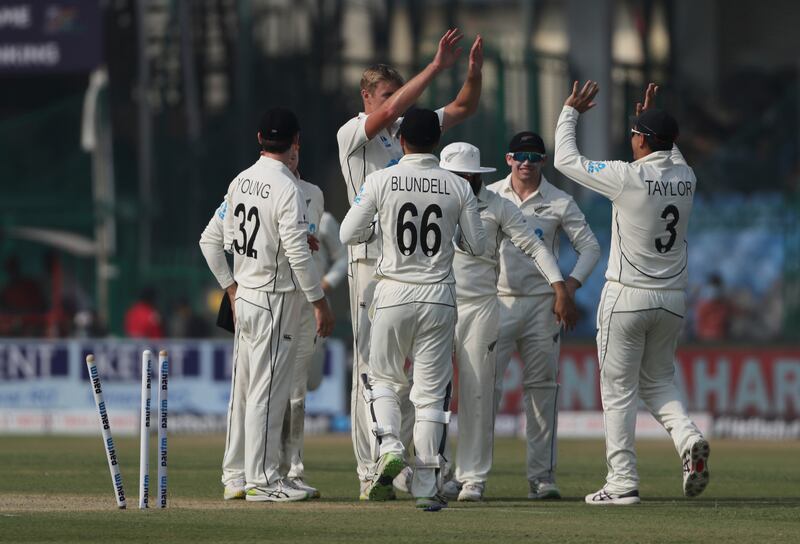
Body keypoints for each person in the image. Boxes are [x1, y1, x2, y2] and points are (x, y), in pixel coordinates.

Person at [336, 28, 484, 498]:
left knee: (401, 380)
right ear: (368, 97)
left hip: (404, 269)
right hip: (368, 263)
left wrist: (472, 73)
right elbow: (393, 112)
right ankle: (371, 471)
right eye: (386, 94)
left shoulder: (406, 135)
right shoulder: (354, 132)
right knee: (372, 372)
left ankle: (405, 466)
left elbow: (462, 109)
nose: (395, 102)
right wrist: (436, 68)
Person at [554, 81, 710, 505]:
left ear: (642, 141)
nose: (631, 141)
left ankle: (622, 482)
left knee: (618, 392)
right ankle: (688, 437)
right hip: (672, 299)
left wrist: (569, 112)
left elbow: (567, 160)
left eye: (634, 134)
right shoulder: (686, 177)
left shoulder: (628, 177)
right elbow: (669, 150)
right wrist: (652, 120)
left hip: (627, 297)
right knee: (658, 381)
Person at [436, 142, 578, 502]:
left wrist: (559, 286)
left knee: (477, 393)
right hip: (435, 301)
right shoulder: (433, 197)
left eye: (459, 177)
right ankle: (432, 470)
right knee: (428, 391)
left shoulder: (497, 205)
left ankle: (472, 478)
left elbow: (535, 246)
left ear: (471, 176)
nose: (453, 182)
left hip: (482, 306)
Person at [220, 107, 334, 503]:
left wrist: (233, 286)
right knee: (268, 392)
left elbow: (231, 238)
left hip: (247, 295)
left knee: (249, 391)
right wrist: (319, 302)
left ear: (259, 139)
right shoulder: (287, 186)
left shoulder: (241, 180)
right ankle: (263, 481)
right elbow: (298, 254)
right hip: (274, 299)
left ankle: (238, 476)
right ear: (295, 142)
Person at [488, 131, 601, 500]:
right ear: (508, 159)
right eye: (519, 155)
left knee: (541, 394)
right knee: (483, 392)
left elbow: (590, 248)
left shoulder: (559, 201)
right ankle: (472, 475)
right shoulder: (489, 195)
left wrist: (569, 287)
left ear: (543, 161)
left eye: (533, 156)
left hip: (542, 304)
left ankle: (541, 478)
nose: (526, 162)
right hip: (498, 301)